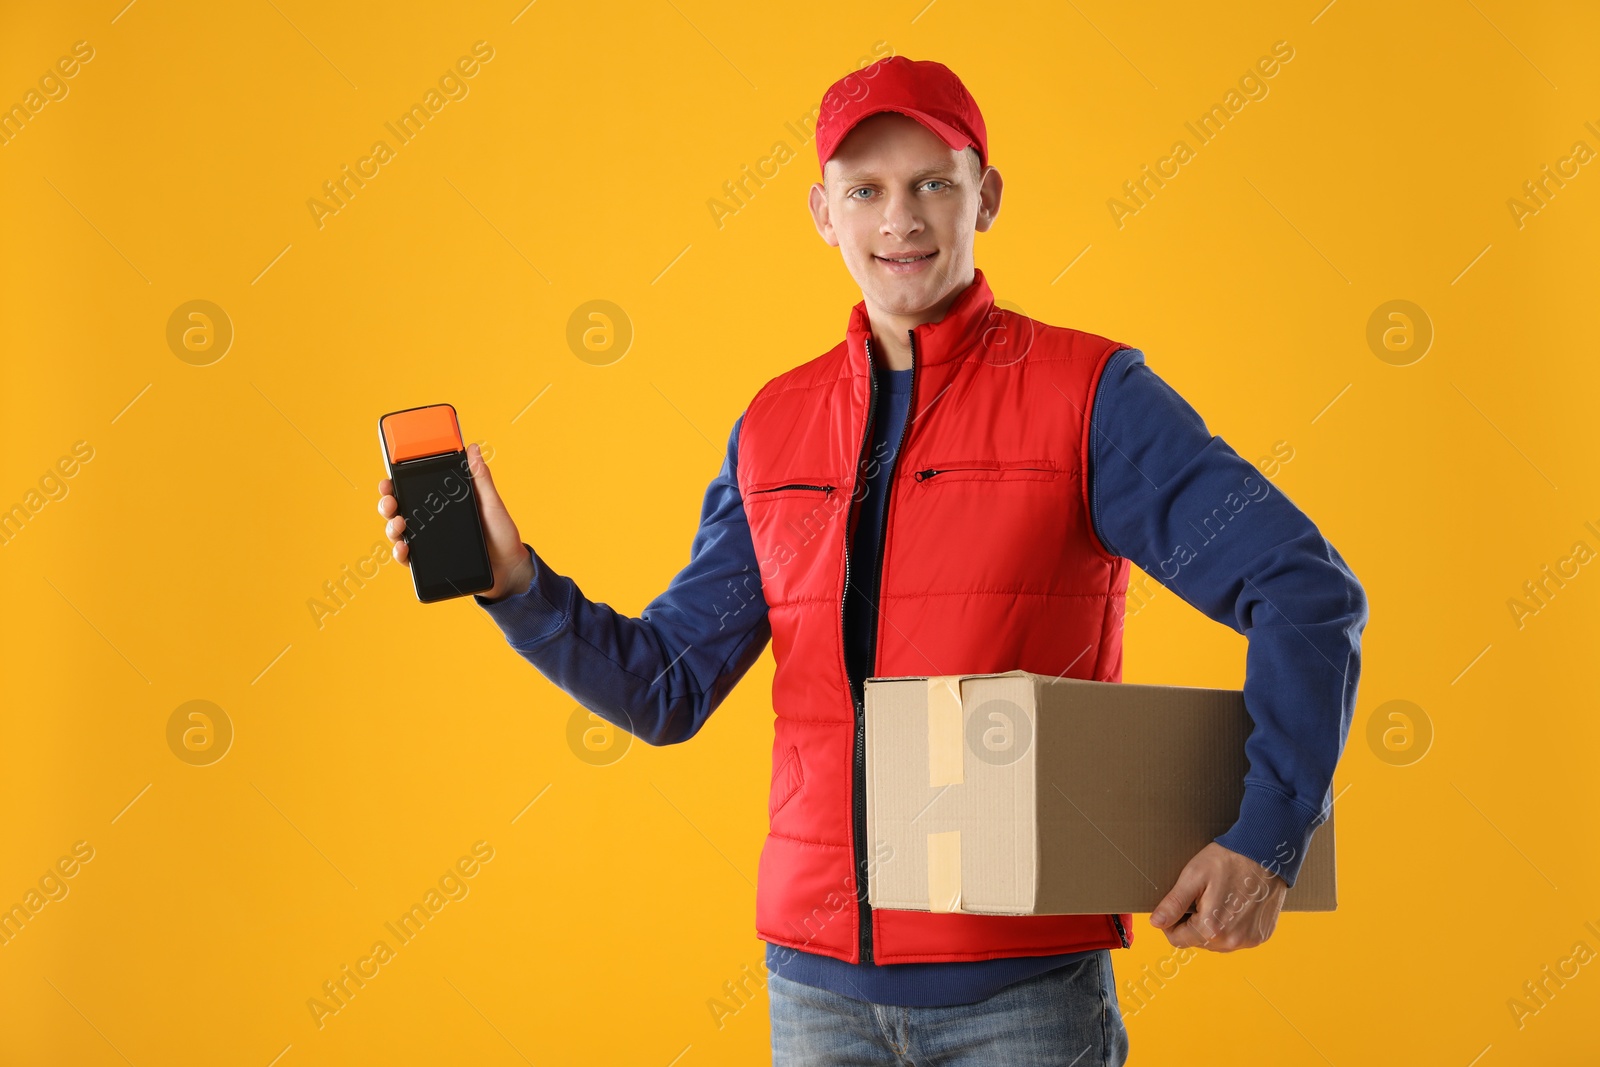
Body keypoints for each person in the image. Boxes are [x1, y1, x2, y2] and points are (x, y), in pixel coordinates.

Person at [377, 55, 1368, 1067]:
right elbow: (666, 688)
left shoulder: (1089, 395)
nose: (900, 217)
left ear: (985, 194)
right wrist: (512, 585)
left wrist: (1269, 831)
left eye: (932, 181)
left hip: (1019, 999)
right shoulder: (774, 424)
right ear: (824, 212)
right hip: (815, 997)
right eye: (866, 190)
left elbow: (1304, 589)